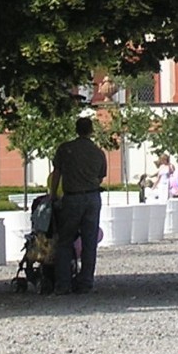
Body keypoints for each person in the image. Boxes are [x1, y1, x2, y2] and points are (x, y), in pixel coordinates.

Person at [50, 116, 107, 294]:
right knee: (90, 241)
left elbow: (57, 173)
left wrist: (53, 195)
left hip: (72, 198)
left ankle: (63, 283)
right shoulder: (98, 152)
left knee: (65, 240)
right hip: (92, 197)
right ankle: (86, 282)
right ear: (91, 131)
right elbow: (100, 177)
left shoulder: (65, 149)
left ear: (76, 129)